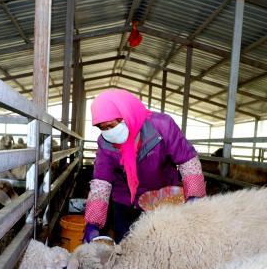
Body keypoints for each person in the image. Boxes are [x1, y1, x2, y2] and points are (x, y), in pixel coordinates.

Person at [83, 89, 206, 243]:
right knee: (127, 246)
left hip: (162, 201)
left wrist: (194, 197)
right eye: (102, 128)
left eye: (110, 125)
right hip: (126, 201)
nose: (108, 132)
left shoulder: (162, 126)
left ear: (126, 115)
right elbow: (101, 182)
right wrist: (93, 223)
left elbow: (187, 161)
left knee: (162, 243)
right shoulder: (105, 143)